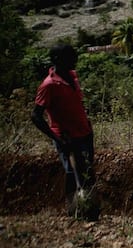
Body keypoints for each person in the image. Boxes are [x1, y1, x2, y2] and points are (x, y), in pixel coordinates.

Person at [30, 44, 96, 217]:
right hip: (66, 137)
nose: (75, 59)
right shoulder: (48, 85)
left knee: (88, 171)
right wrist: (57, 139)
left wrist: (88, 128)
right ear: (58, 60)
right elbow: (36, 116)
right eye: (71, 57)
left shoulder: (73, 76)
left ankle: (89, 206)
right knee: (72, 172)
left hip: (84, 132)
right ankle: (73, 208)